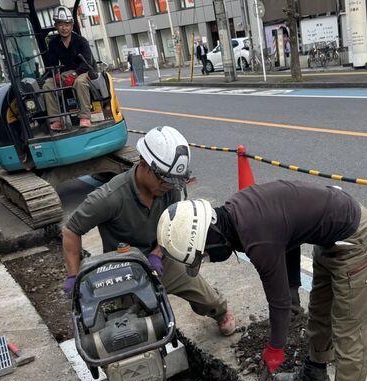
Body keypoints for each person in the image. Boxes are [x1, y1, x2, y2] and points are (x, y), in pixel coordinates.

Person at [157, 181, 367, 381]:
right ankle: (315, 372)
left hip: (355, 239)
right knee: (321, 312)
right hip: (329, 238)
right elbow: (287, 233)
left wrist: (276, 348)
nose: (209, 260)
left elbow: (278, 305)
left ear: (209, 236)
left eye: (203, 255)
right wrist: (292, 288)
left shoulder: (255, 236)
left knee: (351, 330)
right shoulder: (235, 215)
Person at [61, 126, 236, 337]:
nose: (169, 186)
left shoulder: (170, 189)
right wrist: (73, 275)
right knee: (129, 330)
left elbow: (172, 226)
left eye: (174, 181)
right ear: (144, 165)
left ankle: (220, 311)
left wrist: (157, 253)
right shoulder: (110, 197)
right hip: (123, 267)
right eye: (164, 180)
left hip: (160, 260)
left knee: (208, 298)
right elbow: (72, 231)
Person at [42, 6, 95, 131]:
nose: (64, 28)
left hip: (83, 70)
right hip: (66, 72)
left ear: (72, 25)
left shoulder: (81, 41)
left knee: (80, 82)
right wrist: (55, 76)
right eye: (60, 24)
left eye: (67, 24)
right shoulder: (53, 43)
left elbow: (87, 62)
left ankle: (85, 117)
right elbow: (53, 64)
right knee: (47, 86)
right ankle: (56, 120)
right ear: (56, 26)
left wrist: (75, 75)